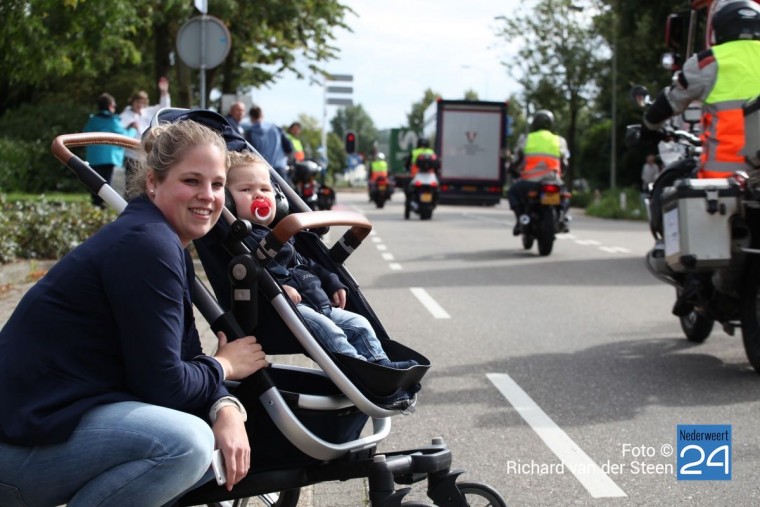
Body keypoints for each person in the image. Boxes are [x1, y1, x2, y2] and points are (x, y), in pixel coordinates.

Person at [0, 120, 269, 506]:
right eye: (191, 181)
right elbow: (164, 385)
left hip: (44, 431)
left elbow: (185, 355)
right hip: (16, 451)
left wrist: (225, 407)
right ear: (154, 183)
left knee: (204, 446)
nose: (208, 196)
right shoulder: (148, 245)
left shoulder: (157, 238)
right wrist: (224, 367)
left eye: (216, 184)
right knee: (186, 446)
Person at [225, 150, 417, 370]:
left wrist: (331, 281)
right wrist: (278, 288)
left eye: (265, 189)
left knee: (360, 323)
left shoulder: (281, 234)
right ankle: (361, 369)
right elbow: (253, 276)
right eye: (246, 190)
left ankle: (381, 364)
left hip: (318, 303)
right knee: (330, 331)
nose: (259, 196)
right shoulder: (242, 241)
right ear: (228, 200)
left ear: (278, 198)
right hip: (285, 311)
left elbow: (307, 264)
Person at [641, 0, 760, 180]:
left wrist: (648, 128)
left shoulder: (707, 62)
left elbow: (671, 101)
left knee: (675, 194)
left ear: (718, 28)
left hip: (722, 180)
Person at [507, 109, 569, 235]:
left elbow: (518, 159)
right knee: (565, 195)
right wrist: (561, 174)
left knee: (512, 192)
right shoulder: (559, 140)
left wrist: (512, 168)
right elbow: (565, 162)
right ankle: (562, 217)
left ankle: (521, 219)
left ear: (534, 124)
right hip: (553, 179)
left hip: (531, 181)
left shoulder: (527, 139)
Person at [82, 92, 138, 206]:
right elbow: (124, 137)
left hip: (94, 158)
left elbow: (84, 133)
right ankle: (103, 206)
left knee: (95, 183)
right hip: (110, 158)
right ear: (110, 106)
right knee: (106, 185)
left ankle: (96, 206)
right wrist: (133, 129)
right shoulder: (113, 120)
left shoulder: (92, 120)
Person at [120, 77, 171, 185]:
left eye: (142, 103)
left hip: (146, 154)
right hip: (131, 154)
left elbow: (164, 108)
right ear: (133, 101)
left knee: (144, 182)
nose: (139, 105)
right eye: (138, 102)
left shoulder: (147, 112)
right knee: (130, 182)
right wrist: (131, 127)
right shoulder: (125, 116)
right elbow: (119, 132)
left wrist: (164, 92)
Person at [245, 105, 293, 184]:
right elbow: (289, 148)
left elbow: (249, 153)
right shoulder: (276, 129)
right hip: (279, 169)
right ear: (262, 115)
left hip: (261, 169)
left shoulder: (249, 133)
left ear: (251, 117)